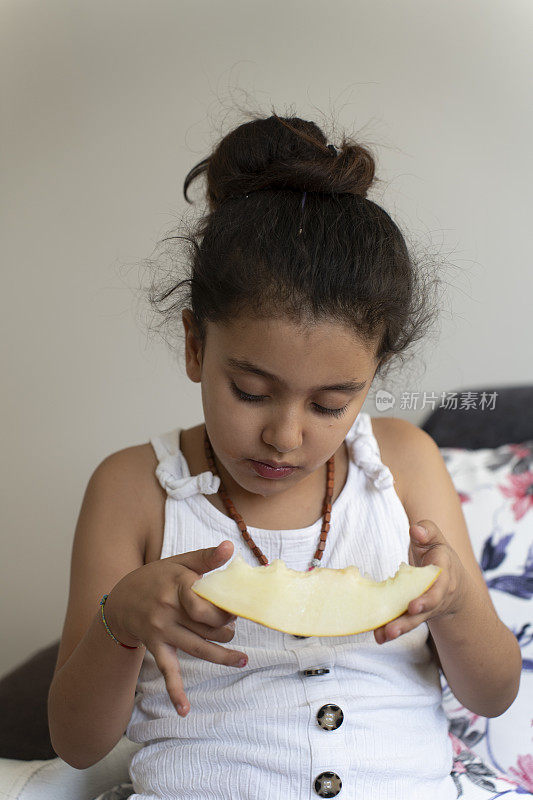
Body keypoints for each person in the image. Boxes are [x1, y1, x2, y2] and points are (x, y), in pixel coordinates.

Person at [47, 112, 522, 800]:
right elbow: (76, 740)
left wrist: (452, 605)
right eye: (249, 391)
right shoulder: (133, 488)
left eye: (331, 403)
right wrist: (118, 622)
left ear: (374, 373)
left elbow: (493, 694)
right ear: (193, 346)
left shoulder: (404, 463)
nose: (285, 436)